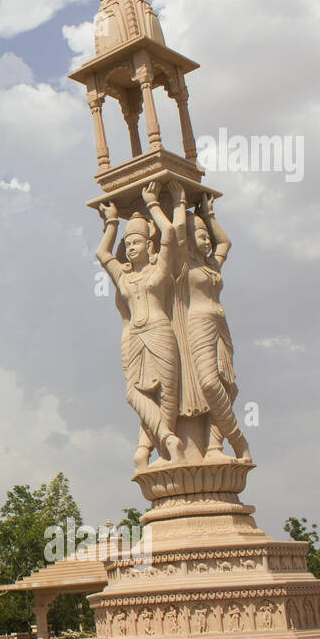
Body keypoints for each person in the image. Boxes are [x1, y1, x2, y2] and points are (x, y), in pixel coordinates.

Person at [95, 182, 186, 468]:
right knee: (133, 393)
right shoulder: (122, 276)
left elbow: (169, 234)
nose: (132, 248)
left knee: (169, 391)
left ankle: (157, 448)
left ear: (149, 245)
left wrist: (152, 204)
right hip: (133, 336)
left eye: (137, 243)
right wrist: (111, 222)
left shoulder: (160, 269)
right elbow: (102, 254)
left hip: (160, 331)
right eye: (129, 243)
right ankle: (168, 438)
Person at [175, 192, 251, 461]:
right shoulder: (183, 264)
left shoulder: (211, 266)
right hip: (197, 323)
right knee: (208, 382)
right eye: (202, 236)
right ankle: (238, 439)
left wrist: (208, 216)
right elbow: (176, 237)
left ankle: (215, 447)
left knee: (227, 385)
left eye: (208, 236)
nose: (207, 241)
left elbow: (225, 242)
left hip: (220, 324)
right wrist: (180, 205)